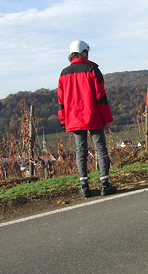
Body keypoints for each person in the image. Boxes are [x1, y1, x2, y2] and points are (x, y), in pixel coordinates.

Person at [58, 40, 117, 197]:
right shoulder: (93, 69)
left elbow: (61, 101)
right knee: (100, 148)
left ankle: (84, 187)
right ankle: (105, 184)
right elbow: (101, 97)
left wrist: (63, 121)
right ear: (83, 53)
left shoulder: (63, 73)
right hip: (93, 116)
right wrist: (107, 119)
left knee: (80, 151)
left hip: (74, 118)